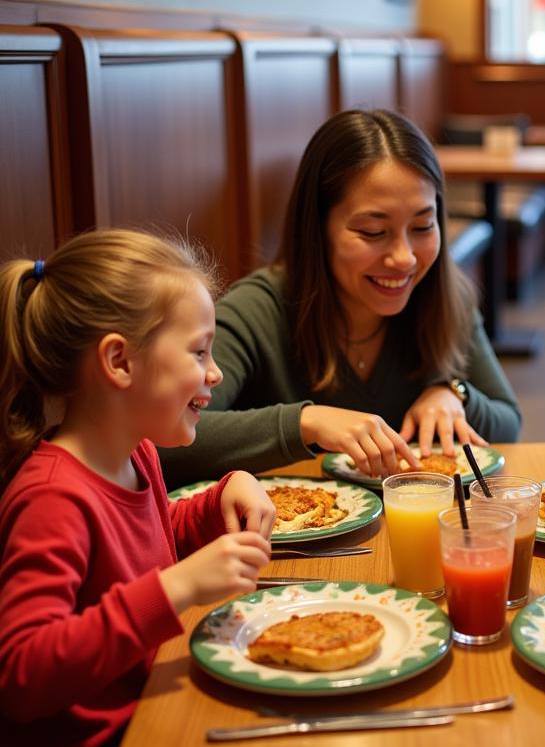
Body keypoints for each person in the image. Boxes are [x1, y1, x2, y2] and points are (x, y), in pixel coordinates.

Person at [0, 229, 277, 747]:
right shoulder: (52, 498)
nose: (216, 373)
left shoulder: (137, 456)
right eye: (200, 352)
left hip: (147, 732)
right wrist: (176, 587)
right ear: (120, 362)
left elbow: (146, 541)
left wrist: (217, 500)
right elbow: (21, 670)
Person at [159, 109, 521, 489]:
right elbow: (160, 442)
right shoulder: (258, 311)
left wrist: (454, 393)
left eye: (422, 227)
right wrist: (305, 423)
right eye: (373, 231)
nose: (405, 258)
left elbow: (509, 423)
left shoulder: (444, 297)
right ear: (318, 229)